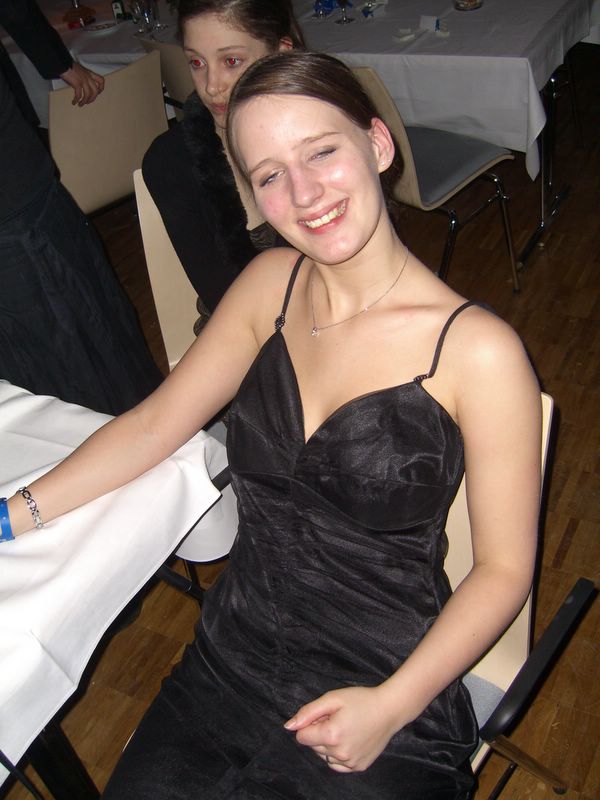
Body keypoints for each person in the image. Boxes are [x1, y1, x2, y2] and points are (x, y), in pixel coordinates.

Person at [2, 52, 542, 800]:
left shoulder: (479, 353)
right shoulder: (268, 288)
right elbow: (155, 425)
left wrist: (392, 706)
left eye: (321, 151)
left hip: (386, 685)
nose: (305, 193)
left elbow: (505, 571)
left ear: (377, 145)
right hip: (230, 662)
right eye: (270, 174)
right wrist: (11, 516)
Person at [0, 1, 163, 415]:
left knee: (73, 340)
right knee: (73, 335)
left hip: (15, 197)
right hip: (17, 202)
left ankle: (131, 430)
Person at [142, 0, 305, 315]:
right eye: (197, 62)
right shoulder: (172, 161)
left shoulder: (325, 134)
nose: (212, 86)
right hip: (244, 327)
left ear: (281, 53)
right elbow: (225, 300)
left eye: (231, 61)